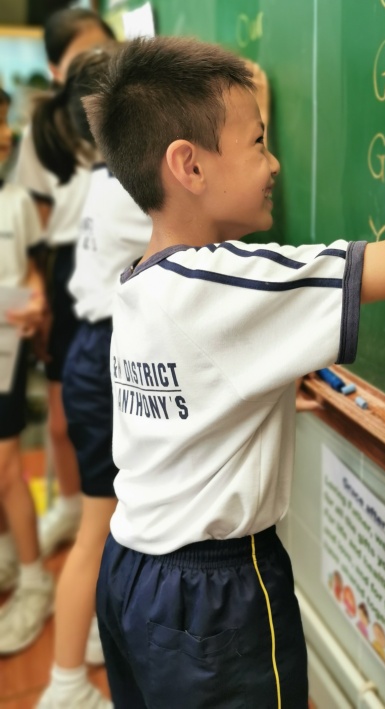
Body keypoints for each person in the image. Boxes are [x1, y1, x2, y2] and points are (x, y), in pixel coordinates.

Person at [89, 32, 385, 708]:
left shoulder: (142, 281)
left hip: (131, 571)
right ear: (189, 165)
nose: (276, 163)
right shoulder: (220, 283)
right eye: (260, 143)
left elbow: (190, 404)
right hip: (212, 599)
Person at [35, 46, 151, 708]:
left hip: (92, 348)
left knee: (102, 521)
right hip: (102, 353)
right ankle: (66, 684)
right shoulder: (131, 189)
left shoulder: (103, 179)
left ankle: (88, 647)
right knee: (97, 525)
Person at [9, 8, 115, 566]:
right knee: (61, 413)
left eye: (104, 49)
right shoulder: (47, 129)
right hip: (67, 264)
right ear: (54, 69)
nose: (96, 63)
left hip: (116, 260)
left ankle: (95, 514)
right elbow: (36, 217)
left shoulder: (125, 109)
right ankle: (72, 507)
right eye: (81, 57)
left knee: (102, 407)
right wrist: (38, 293)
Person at [0, 135, 53, 653]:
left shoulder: (16, 200)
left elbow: (32, 268)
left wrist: (36, 297)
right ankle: (8, 554)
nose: (3, 137)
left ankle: (35, 581)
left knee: (5, 467)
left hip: (4, 342)